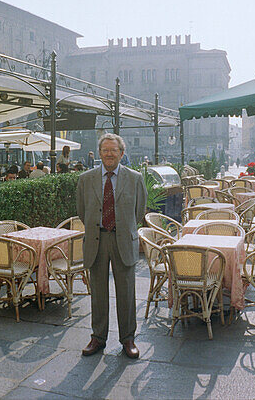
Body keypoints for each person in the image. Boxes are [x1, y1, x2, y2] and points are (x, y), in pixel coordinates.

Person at [76, 133, 146, 359]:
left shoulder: (135, 178)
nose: (109, 154)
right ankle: (98, 337)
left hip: (123, 240)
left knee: (126, 292)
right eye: (105, 150)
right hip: (97, 240)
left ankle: (128, 339)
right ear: (99, 153)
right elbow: (82, 210)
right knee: (98, 291)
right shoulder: (86, 179)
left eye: (113, 150)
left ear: (121, 153)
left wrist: (123, 227)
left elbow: (139, 211)